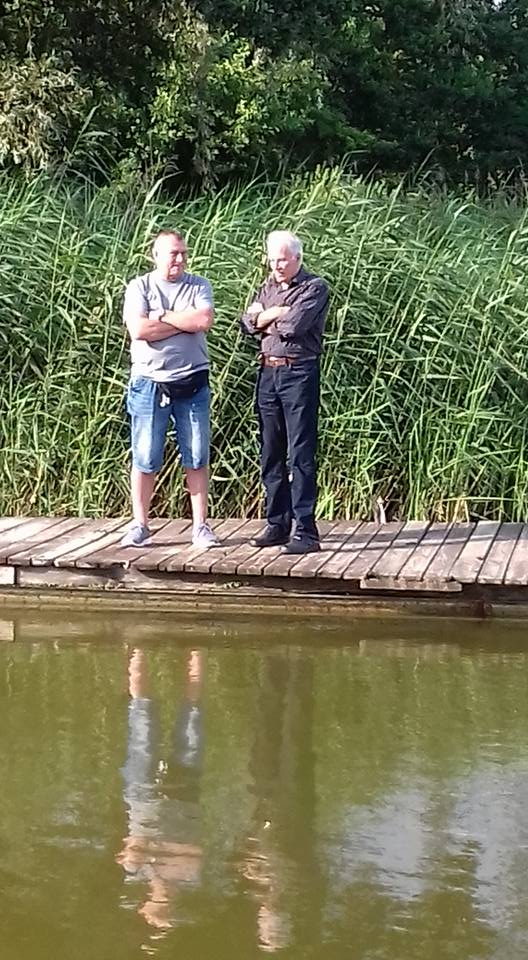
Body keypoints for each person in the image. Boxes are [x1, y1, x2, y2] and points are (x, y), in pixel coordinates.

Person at [121, 229, 219, 548]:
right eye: (173, 253)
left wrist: (161, 317)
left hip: (193, 380)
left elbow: (203, 321)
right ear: (156, 256)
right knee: (146, 454)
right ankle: (140, 524)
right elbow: (139, 329)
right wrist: (181, 322)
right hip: (149, 382)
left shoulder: (199, 285)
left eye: (183, 253)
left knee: (197, 453)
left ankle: (201, 526)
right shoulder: (140, 286)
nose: (180, 258)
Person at [240, 231, 329, 554]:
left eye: (283, 259)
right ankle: (277, 523)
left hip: (298, 372)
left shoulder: (314, 287)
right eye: (273, 259)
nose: (276, 265)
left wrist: (264, 317)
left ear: (297, 259)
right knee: (270, 450)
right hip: (267, 372)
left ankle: (305, 530)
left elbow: (294, 327)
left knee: (300, 451)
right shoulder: (267, 286)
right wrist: (275, 313)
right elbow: (245, 323)